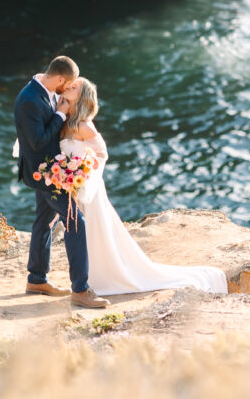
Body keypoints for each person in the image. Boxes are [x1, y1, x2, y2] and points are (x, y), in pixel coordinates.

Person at [60, 77, 228, 296]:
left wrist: (82, 174)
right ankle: (87, 276)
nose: (68, 88)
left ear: (82, 97)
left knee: (94, 229)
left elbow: (101, 153)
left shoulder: (84, 126)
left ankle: (99, 277)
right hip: (73, 187)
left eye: (74, 87)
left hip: (87, 187)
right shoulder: (66, 119)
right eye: (69, 85)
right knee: (84, 231)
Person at [13, 56, 109, 308]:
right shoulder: (29, 100)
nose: (66, 90)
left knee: (44, 222)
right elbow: (37, 140)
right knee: (76, 223)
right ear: (60, 79)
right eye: (66, 85)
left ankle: (36, 279)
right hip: (47, 175)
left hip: (51, 171)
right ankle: (80, 289)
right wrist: (60, 114)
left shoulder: (44, 90)